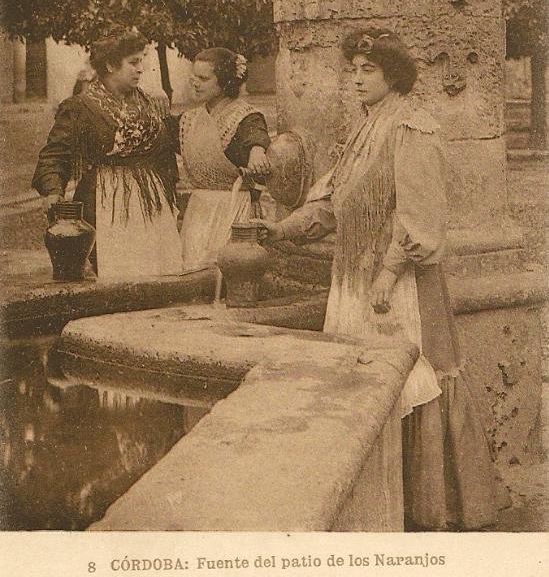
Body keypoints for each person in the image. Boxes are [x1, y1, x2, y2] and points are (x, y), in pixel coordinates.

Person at [256, 27, 503, 531]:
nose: (356, 79)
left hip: (399, 285)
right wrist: (281, 230)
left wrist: (388, 276)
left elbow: (420, 217)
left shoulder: (414, 128)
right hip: (354, 275)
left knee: (411, 377)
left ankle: (427, 504)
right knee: (361, 380)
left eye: (368, 70)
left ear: (394, 74)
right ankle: (375, 494)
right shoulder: (362, 131)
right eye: (353, 69)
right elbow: (331, 202)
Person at [32, 29, 182, 280]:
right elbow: (55, 154)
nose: (141, 68)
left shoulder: (152, 103)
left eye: (142, 60)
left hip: (153, 200)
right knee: (118, 275)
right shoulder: (81, 107)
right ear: (111, 64)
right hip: (106, 201)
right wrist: (53, 190)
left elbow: (170, 145)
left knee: (160, 271)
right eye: (133, 62)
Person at [178, 47, 270, 275]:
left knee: (229, 273)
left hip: (233, 209)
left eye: (203, 78)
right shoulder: (189, 119)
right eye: (194, 78)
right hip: (199, 211)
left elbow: (256, 134)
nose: (195, 84)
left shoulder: (245, 116)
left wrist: (257, 151)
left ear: (225, 82)